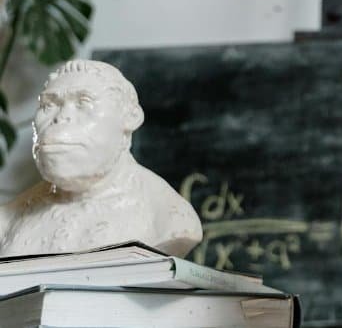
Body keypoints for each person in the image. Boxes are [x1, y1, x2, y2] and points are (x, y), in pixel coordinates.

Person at [0, 60, 202, 257]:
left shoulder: (169, 218)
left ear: (130, 117)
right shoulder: (7, 218)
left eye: (83, 103)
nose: (61, 117)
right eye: (49, 104)